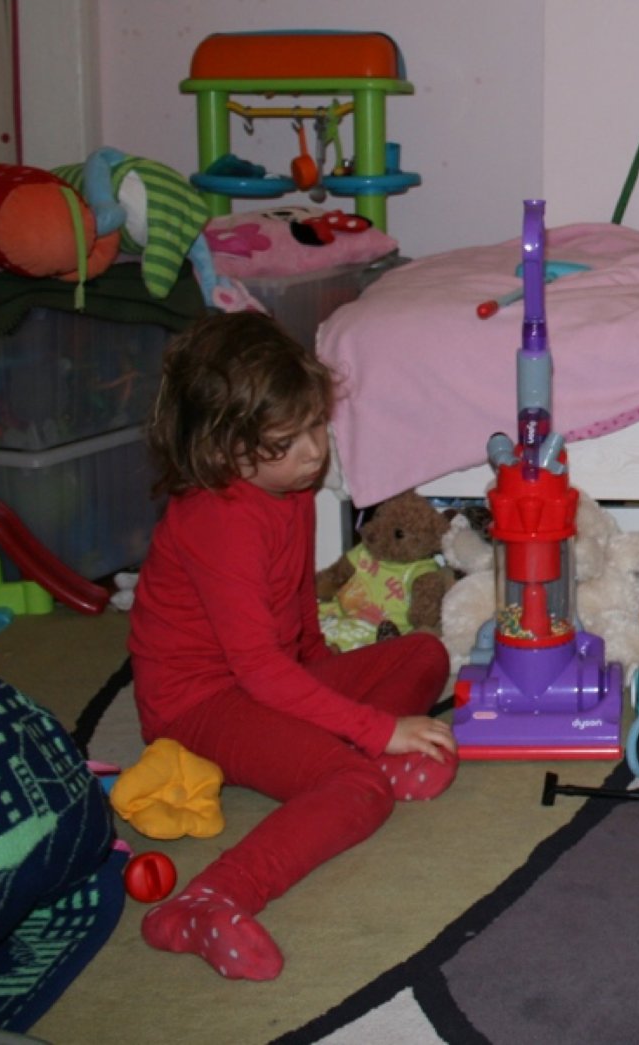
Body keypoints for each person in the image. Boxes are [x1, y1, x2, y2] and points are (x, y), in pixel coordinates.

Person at [128, 311, 457, 979]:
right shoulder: (219, 520)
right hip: (200, 704)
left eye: (315, 426)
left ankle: (363, 752)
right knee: (355, 785)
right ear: (223, 450)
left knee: (425, 653)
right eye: (287, 440)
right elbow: (255, 668)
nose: (313, 452)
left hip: (264, 677)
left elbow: (296, 612)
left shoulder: (288, 487)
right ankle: (207, 900)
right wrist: (375, 728)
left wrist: (333, 680)